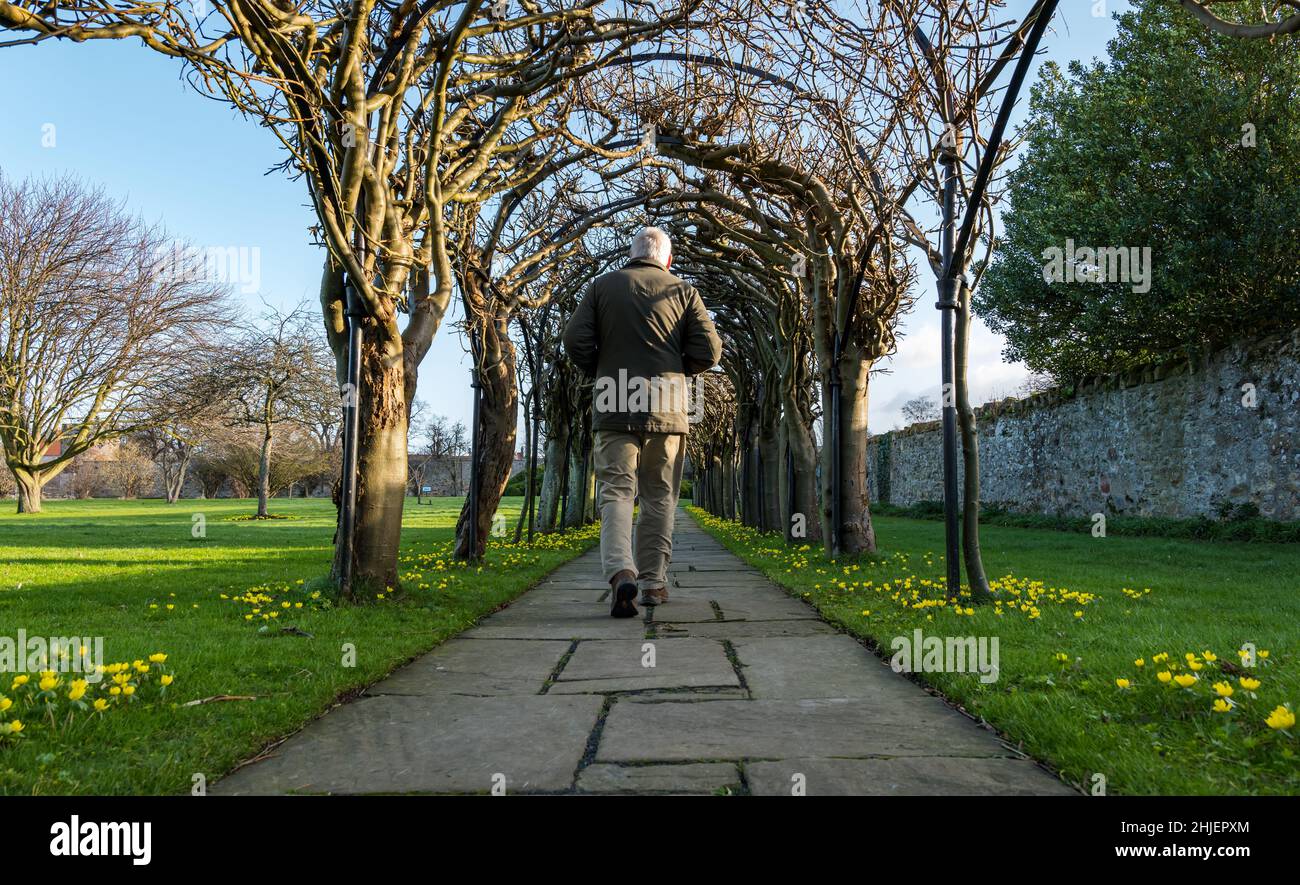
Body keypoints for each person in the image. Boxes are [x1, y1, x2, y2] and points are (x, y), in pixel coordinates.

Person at [562, 227, 722, 617]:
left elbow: (575, 341)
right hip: (666, 407)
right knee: (659, 496)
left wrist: (602, 369)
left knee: (616, 492)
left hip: (613, 401)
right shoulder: (682, 291)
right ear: (666, 259)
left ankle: (621, 573)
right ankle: (652, 583)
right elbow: (709, 351)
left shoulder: (601, 287)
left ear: (632, 254)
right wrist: (676, 369)